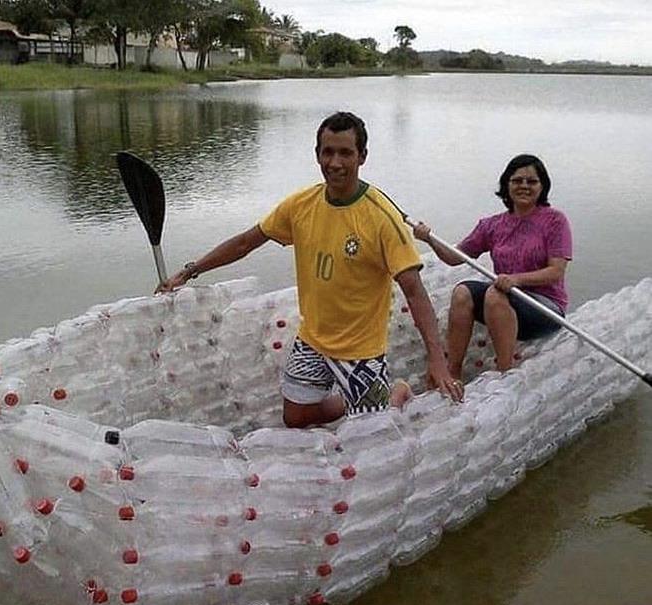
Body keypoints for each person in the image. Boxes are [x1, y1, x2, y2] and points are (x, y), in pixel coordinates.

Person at [157, 111, 463, 428]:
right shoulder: (301, 205)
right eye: (327, 152)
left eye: (345, 153)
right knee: (296, 418)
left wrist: (436, 359)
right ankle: (360, 401)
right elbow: (246, 242)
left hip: (361, 349)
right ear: (317, 154)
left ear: (362, 156)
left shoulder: (381, 217)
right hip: (313, 339)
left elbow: (414, 290)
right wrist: (189, 271)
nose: (335, 163)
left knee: (372, 434)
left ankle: (394, 395)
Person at [413, 154, 572, 379]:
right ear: (506, 185)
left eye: (531, 181)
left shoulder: (555, 221)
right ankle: (452, 371)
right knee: (462, 292)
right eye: (517, 181)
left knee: (495, 294)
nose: (524, 186)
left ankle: (504, 373)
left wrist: (516, 280)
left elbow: (556, 271)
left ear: (542, 186)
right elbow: (454, 257)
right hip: (504, 297)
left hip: (545, 308)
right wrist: (429, 238)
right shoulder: (492, 225)